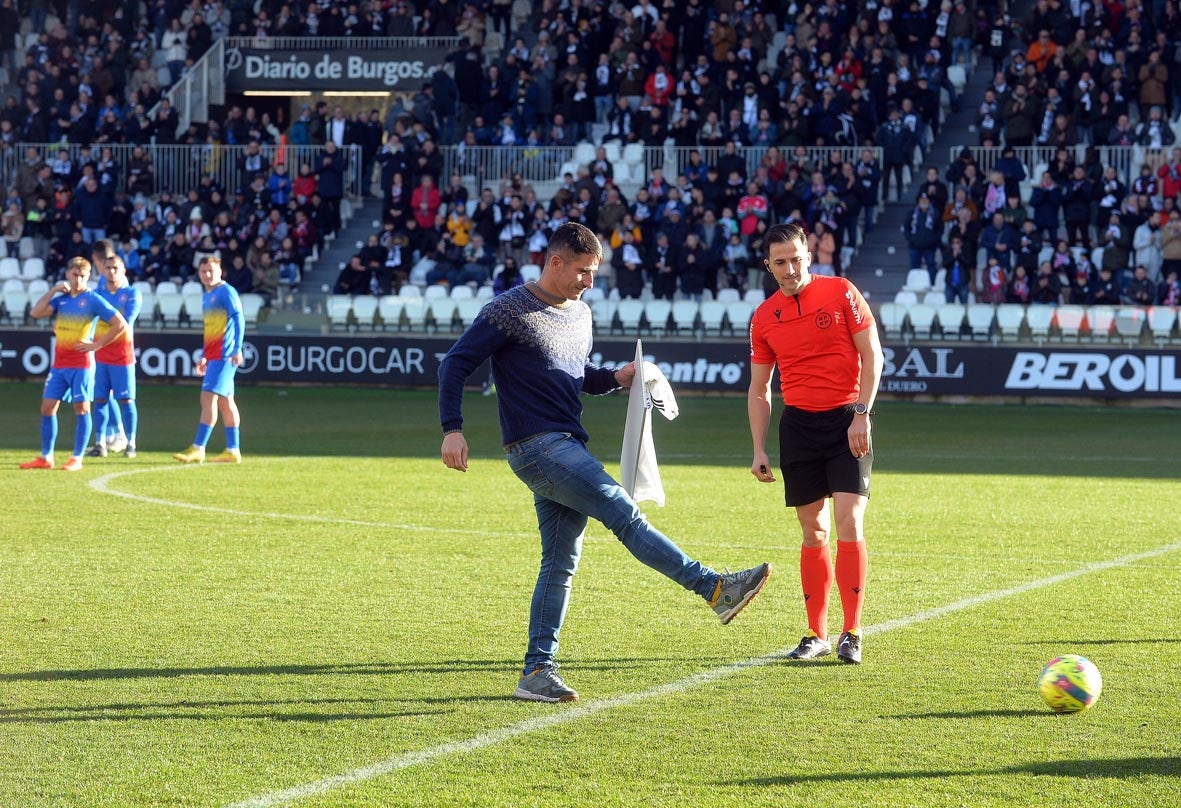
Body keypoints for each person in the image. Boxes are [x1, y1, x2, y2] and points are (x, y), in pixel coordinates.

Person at [438, 222, 772, 703]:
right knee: (622, 511)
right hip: (537, 448)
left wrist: (621, 376)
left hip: (563, 445)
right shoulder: (508, 309)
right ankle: (714, 589)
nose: (588, 282)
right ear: (554, 262)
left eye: (593, 272)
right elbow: (455, 363)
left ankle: (536, 672)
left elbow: (577, 380)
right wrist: (452, 428)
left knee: (559, 565)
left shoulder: (581, 314)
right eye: (582, 271)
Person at [747, 222, 883, 665]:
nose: (790, 268)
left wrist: (862, 413)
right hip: (800, 427)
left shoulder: (841, 291)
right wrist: (759, 448)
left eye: (796, 258)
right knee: (814, 530)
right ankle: (815, 633)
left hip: (847, 421)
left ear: (809, 255)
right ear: (768, 266)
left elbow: (872, 354)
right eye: (780, 261)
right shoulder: (764, 317)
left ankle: (852, 631)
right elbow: (760, 388)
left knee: (848, 521)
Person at [20, 257, 128, 471]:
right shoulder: (61, 299)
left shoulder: (93, 299)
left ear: (88, 277)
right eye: (75, 275)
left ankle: (77, 457)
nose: (78, 279)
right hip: (59, 365)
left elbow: (120, 324)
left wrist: (97, 345)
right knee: (47, 407)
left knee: (82, 407)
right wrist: (52, 291)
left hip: (82, 365)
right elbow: (35, 312)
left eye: (83, 276)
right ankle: (46, 457)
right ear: (67, 274)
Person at [173, 256, 246, 464]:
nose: (207, 275)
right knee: (225, 402)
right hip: (214, 355)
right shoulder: (207, 296)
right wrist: (205, 355)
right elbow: (210, 330)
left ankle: (198, 447)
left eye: (211, 271)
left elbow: (239, 318)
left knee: (208, 399)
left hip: (225, 354)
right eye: (203, 271)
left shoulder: (226, 291)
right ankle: (233, 450)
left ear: (220, 271)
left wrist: (237, 348)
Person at [90, 250, 142, 458]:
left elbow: (124, 324)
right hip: (101, 356)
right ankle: (100, 443)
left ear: (123, 271)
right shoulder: (98, 295)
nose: (111, 272)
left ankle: (131, 443)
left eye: (115, 268)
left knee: (127, 400)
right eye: (108, 269)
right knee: (100, 400)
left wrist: (98, 342)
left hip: (122, 356)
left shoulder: (131, 294)